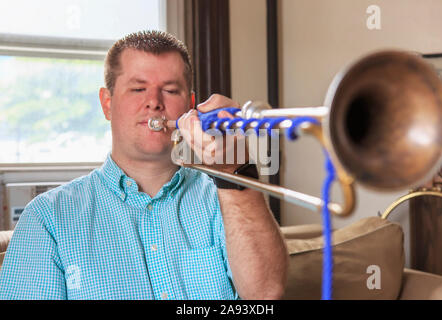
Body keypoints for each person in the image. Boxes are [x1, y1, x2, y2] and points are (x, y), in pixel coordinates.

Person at [0, 30, 288, 300]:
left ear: (189, 107)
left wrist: (232, 172)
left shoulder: (223, 200)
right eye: (138, 89)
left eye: (171, 91)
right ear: (107, 104)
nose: (154, 102)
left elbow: (265, 295)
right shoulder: (48, 217)